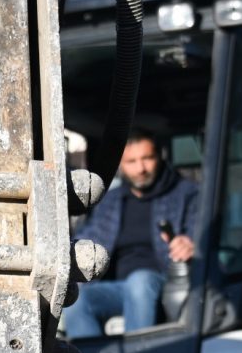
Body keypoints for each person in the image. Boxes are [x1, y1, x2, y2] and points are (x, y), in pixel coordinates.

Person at [65, 129, 197, 339]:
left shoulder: (186, 193)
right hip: (116, 288)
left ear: (160, 157)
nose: (141, 168)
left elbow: (198, 233)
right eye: (131, 161)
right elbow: (89, 239)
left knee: (140, 281)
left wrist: (190, 243)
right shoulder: (109, 200)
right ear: (121, 165)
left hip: (163, 281)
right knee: (75, 298)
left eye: (147, 158)